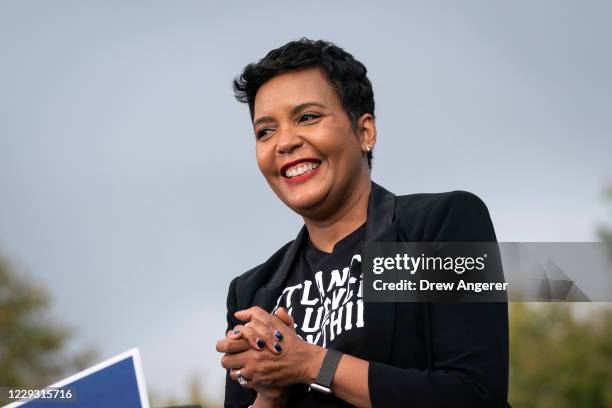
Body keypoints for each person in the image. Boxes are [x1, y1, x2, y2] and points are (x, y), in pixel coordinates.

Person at [215, 38, 509, 408]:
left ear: (365, 131)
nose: (284, 143)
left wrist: (311, 364)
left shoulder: (439, 226)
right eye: (265, 131)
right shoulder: (254, 293)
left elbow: (475, 395)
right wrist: (270, 395)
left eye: (307, 117)